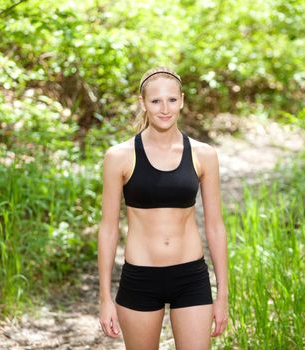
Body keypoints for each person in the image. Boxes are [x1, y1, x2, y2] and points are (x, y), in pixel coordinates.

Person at [98, 66, 228, 350]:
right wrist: (105, 297)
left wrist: (223, 294)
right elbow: (108, 230)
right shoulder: (119, 157)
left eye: (171, 100)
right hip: (140, 277)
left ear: (181, 100)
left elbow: (215, 226)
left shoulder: (203, 154)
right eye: (156, 101)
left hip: (191, 277)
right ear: (143, 103)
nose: (165, 108)